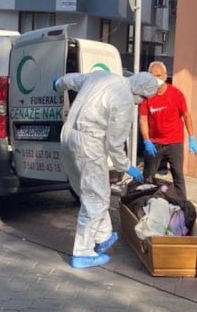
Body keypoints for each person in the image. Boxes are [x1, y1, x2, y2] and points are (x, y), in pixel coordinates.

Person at [54, 70, 160, 269]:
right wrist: (127, 166)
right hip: (89, 143)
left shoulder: (102, 76)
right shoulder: (125, 100)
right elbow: (114, 144)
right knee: (96, 198)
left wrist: (59, 83)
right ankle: (83, 252)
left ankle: (103, 235)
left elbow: (73, 80)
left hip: (67, 136)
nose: (141, 102)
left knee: (88, 192)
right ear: (139, 91)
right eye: (144, 98)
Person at [138, 61, 197, 199]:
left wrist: (192, 137)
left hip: (174, 141)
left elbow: (186, 116)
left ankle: (182, 203)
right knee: (148, 175)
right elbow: (143, 120)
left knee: (178, 174)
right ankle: (145, 201)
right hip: (154, 143)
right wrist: (146, 140)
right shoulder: (146, 96)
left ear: (165, 76)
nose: (156, 79)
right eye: (152, 76)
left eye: (158, 75)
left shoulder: (176, 94)